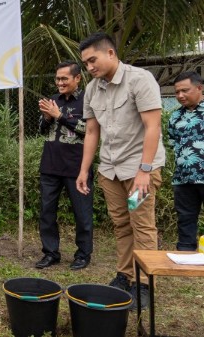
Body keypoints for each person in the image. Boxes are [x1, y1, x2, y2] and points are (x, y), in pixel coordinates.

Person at [76, 32, 165, 309]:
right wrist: (84, 170)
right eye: (86, 63)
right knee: (121, 224)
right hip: (110, 171)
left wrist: (144, 170)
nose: (90, 67)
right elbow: (92, 131)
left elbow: (153, 127)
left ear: (111, 53)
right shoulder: (92, 89)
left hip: (138, 170)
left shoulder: (139, 80)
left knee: (141, 224)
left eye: (93, 60)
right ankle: (125, 276)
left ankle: (145, 284)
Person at [35, 61, 94, 270]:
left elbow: (88, 130)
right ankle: (51, 253)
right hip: (50, 166)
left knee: (82, 213)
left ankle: (83, 254)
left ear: (77, 78)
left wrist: (59, 115)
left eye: (64, 79)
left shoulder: (87, 100)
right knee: (47, 212)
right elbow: (42, 130)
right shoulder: (52, 100)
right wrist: (46, 117)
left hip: (77, 169)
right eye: (57, 79)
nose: (60, 83)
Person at [168, 71, 204, 251]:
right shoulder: (175, 117)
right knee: (185, 217)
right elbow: (172, 142)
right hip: (183, 178)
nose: (180, 95)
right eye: (177, 92)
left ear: (199, 88)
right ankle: (185, 254)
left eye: (185, 90)